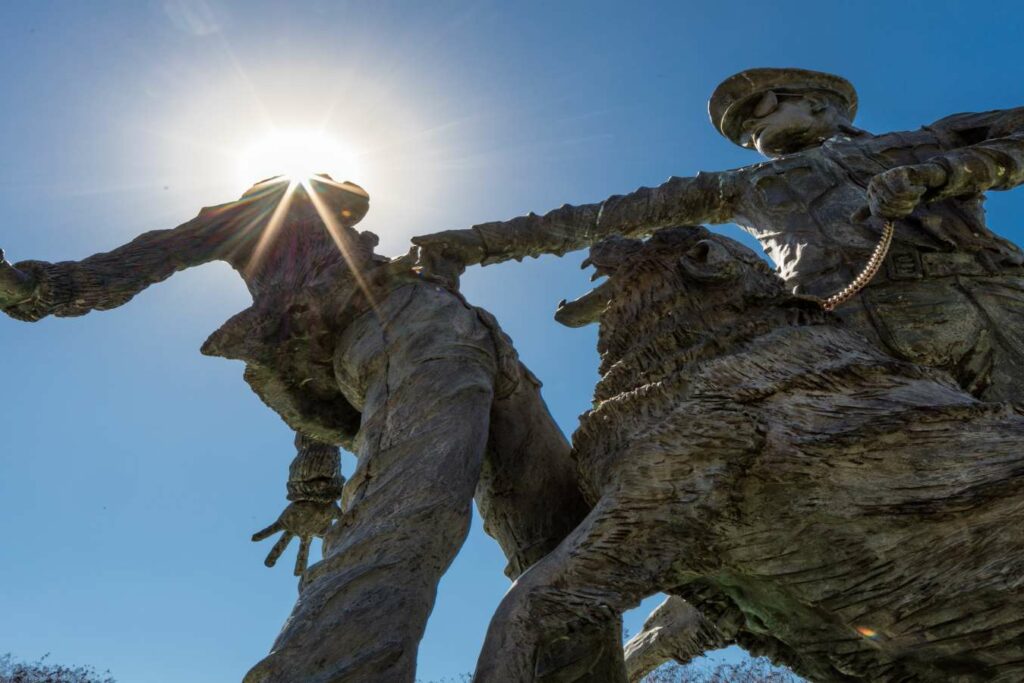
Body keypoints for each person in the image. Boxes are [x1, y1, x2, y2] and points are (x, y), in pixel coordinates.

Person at [0, 176, 618, 682]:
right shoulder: (258, 217)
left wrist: (313, 489)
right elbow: (145, 259)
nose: (340, 212)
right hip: (409, 337)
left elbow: (316, 381)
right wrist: (33, 288)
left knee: (573, 548)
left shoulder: (390, 260)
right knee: (410, 517)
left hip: (484, 349)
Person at [414, 67, 1024, 401]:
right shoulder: (740, 186)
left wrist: (946, 172)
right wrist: (474, 243)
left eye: (761, 106)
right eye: (740, 127)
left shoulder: (931, 138)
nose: (749, 126)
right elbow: (596, 219)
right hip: (846, 327)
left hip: (992, 301)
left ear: (821, 104)